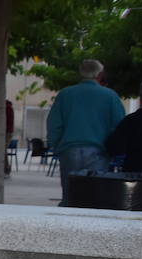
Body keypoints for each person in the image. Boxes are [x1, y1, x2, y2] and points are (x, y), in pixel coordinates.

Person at [47, 58, 125, 205]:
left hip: (69, 151)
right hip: (99, 152)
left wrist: (56, 146)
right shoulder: (110, 96)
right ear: (100, 74)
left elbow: (54, 124)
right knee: (95, 197)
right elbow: (120, 127)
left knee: (70, 196)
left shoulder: (65, 95)